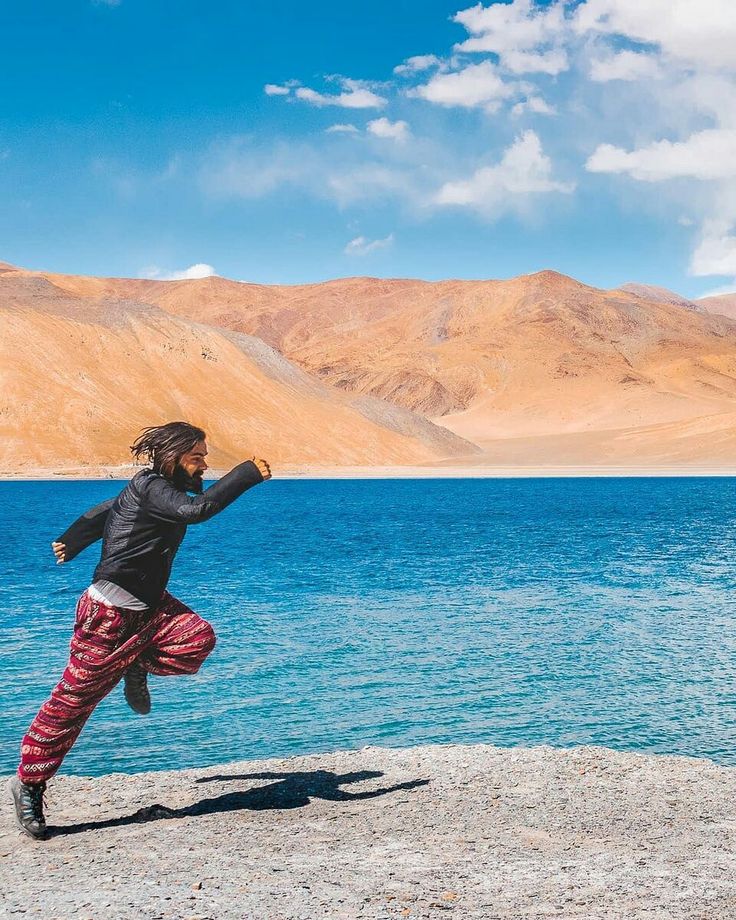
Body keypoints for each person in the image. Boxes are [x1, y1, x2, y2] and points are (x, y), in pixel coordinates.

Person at [10, 421, 271, 839]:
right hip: (107, 614)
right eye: (197, 457)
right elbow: (196, 510)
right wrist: (246, 474)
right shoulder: (150, 485)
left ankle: (136, 664)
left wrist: (75, 537)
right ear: (173, 456)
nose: (204, 465)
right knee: (70, 706)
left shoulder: (158, 490)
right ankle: (29, 783)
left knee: (196, 638)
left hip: (151, 607)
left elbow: (108, 509)